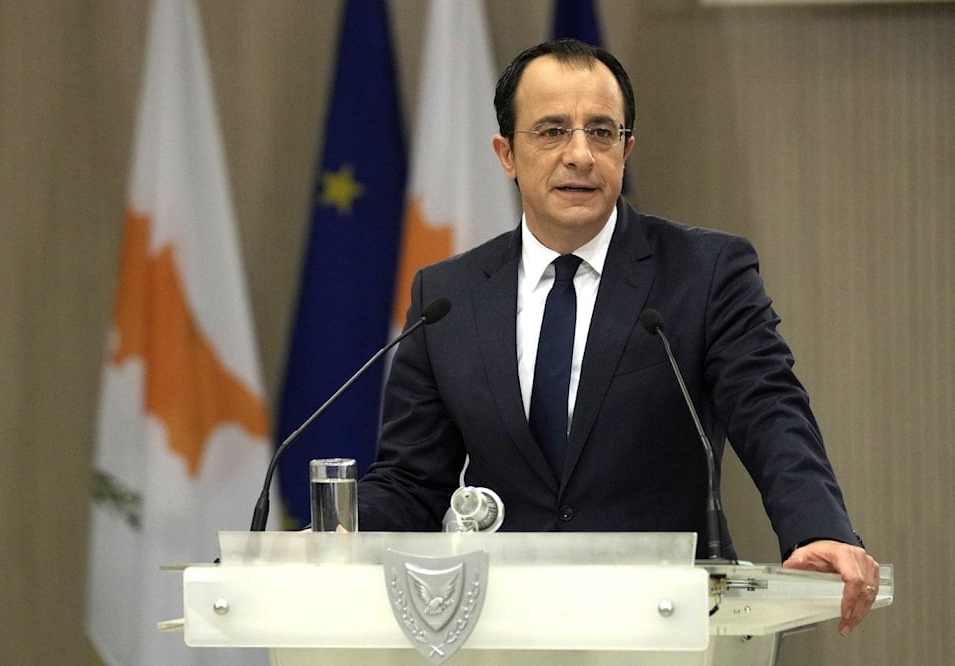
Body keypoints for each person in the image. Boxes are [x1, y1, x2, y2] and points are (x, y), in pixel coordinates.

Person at [356, 39, 879, 636]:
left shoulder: (705, 272)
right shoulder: (447, 295)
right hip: (503, 627)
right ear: (507, 153)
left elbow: (770, 409)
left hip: (671, 622)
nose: (580, 154)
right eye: (552, 131)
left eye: (601, 133)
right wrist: (336, 536)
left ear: (626, 149)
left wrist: (818, 527)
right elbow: (413, 478)